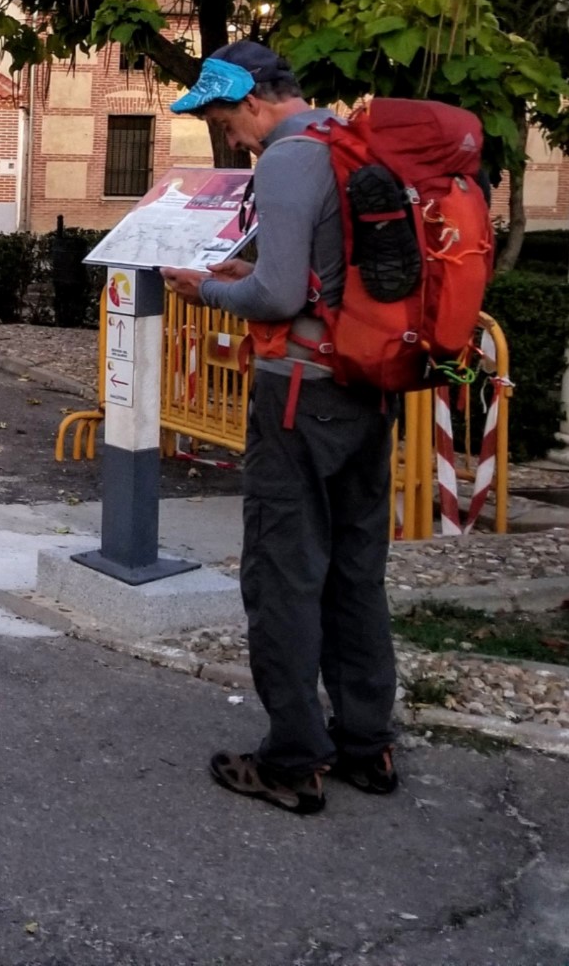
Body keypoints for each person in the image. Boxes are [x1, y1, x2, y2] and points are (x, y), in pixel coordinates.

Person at [160, 40, 398, 816]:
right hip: (365, 385)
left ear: (256, 100)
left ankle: (294, 760)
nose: (231, 138)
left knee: (285, 573)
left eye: (228, 120)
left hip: (300, 395)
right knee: (357, 569)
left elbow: (278, 295)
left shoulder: (289, 161)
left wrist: (209, 290)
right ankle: (368, 745)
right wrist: (250, 278)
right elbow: (312, 280)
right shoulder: (349, 141)